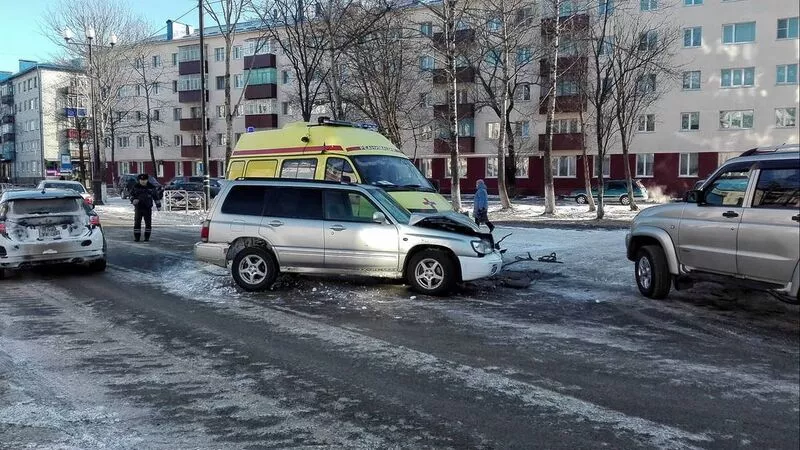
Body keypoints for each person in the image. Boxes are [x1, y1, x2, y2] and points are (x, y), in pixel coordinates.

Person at [130, 173, 161, 242]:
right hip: (138, 207)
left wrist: (158, 206)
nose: (143, 181)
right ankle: (137, 237)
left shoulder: (151, 187)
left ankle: (147, 237)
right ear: (139, 180)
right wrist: (133, 200)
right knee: (137, 223)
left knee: (148, 223)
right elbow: (131, 195)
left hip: (147, 207)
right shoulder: (136, 186)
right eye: (141, 180)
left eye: (144, 180)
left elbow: (156, 197)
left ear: (147, 180)